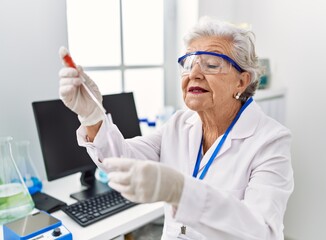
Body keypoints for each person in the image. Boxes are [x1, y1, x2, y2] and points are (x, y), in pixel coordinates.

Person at [58, 17, 294, 240]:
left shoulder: (270, 141)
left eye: (211, 64)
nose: (194, 74)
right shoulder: (179, 124)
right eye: (189, 63)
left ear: (241, 82)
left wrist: (181, 191)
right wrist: (92, 115)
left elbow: (262, 232)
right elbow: (122, 160)